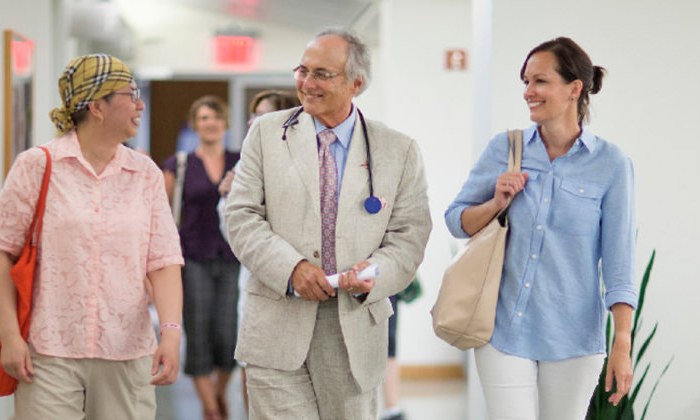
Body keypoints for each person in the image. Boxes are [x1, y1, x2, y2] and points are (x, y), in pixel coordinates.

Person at [224, 28, 432, 419]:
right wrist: (293, 268)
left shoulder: (398, 150)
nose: (306, 83)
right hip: (276, 323)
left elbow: (410, 236)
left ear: (356, 83)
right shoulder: (267, 134)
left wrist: (375, 273)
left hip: (353, 329)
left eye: (321, 73)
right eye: (302, 70)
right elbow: (241, 216)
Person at [445, 37, 637, 420]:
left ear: (574, 89)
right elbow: (457, 220)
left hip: (574, 338)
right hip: (502, 331)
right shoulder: (505, 148)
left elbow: (619, 263)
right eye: (525, 82)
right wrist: (496, 203)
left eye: (540, 81)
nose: (528, 92)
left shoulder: (611, 164)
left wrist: (622, 343)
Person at [0, 54, 184, 419]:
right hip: (48, 351)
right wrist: (11, 337)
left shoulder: (146, 174)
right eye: (131, 93)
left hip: (127, 352)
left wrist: (170, 333)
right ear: (97, 106)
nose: (140, 104)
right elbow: (0, 254)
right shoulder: (38, 164)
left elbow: (164, 261)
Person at [216, 89, 300, 415]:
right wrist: (227, 198)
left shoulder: (300, 161)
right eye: (252, 115)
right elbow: (234, 233)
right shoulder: (245, 163)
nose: (253, 121)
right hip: (256, 278)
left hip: (298, 278)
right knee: (253, 365)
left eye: (262, 114)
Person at [161, 95, 240, 420]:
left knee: (228, 333)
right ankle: (210, 408)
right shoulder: (178, 164)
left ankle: (219, 393)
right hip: (192, 257)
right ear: (195, 124)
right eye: (204, 118)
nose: (211, 123)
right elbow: (162, 216)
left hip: (233, 257)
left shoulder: (241, 162)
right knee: (198, 330)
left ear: (225, 123)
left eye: (216, 117)